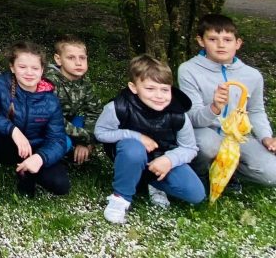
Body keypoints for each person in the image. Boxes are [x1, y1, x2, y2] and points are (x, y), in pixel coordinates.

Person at [96, 55, 205, 223]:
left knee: (196, 194)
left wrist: (169, 160)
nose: (159, 95)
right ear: (134, 87)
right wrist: (136, 136)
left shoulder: (178, 114)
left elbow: (190, 148)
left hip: (161, 159)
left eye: (164, 89)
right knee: (133, 148)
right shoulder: (118, 107)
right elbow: (101, 132)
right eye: (150, 89)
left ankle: (153, 183)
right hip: (130, 156)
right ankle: (120, 198)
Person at [0, 41, 70, 219]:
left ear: (42, 70)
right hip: (7, 145)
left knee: (61, 185)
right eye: (22, 66)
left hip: (34, 149)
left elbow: (58, 140)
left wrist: (40, 158)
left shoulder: (51, 100)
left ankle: (27, 175)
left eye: (35, 68)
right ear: (12, 67)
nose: (29, 72)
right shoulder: (1, 84)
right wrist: (12, 130)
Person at [177, 14, 276, 187]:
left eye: (227, 39)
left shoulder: (252, 75)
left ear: (237, 43)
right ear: (201, 41)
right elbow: (192, 117)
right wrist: (214, 107)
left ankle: (228, 174)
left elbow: (256, 111)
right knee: (208, 146)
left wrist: (266, 137)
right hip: (204, 131)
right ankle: (200, 175)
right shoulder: (188, 70)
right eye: (213, 39)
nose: (221, 45)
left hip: (237, 136)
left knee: (272, 175)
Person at [44, 36, 102, 166]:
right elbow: (53, 119)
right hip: (47, 127)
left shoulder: (84, 81)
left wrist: (85, 142)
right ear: (58, 59)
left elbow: (95, 111)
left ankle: (76, 154)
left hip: (69, 122)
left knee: (101, 125)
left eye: (82, 58)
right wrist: (86, 138)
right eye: (71, 58)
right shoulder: (49, 81)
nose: (78, 63)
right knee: (65, 143)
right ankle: (52, 160)